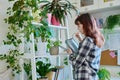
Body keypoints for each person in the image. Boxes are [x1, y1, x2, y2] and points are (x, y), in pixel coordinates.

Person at [66, 13, 105, 80]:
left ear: (85, 24)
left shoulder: (87, 40)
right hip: (92, 76)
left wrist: (71, 54)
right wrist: (81, 39)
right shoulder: (97, 38)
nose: (78, 28)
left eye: (79, 25)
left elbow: (76, 64)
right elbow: (89, 55)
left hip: (85, 76)